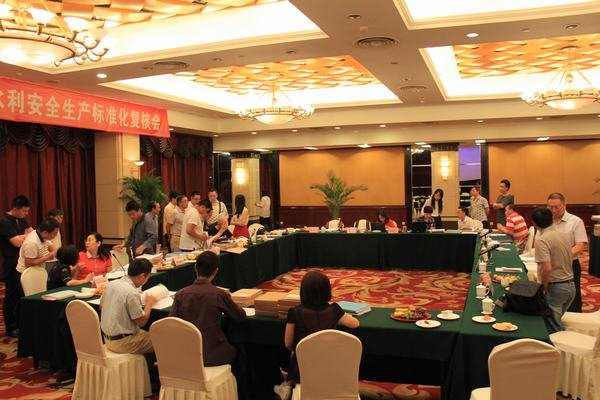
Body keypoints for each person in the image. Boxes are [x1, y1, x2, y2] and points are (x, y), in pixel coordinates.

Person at [170, 251, 247, 397]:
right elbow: (240, 317)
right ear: (216, 271)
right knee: (241, 351)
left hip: (187, 355)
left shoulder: (180, 294)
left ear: (195, 268)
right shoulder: (219, 294)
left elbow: (172, 324)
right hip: (213, 354)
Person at [274, 271, 360, 400]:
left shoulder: (294, 312)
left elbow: (288, 344)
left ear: (303, 292)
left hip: (303, 370)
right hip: (332, 367)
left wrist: (303, 349)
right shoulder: (334, 309)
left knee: (295, 356)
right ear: (327, 291)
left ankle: (288, 385)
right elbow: (355, 324)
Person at [531, 207, 575, 333]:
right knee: (555, 324)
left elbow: (546, 268)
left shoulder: (542, 240)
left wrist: (543, 288)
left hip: (556, 288)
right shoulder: (564, 235)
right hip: (570, 286)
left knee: (552, 329)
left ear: (534, 223)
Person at [100, 258, 156, 354]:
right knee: (163, 340)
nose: (147, 280)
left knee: (148, 334)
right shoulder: (131, 293)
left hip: (106, 339)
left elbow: (101, 306)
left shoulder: (111, 284)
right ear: (142, 276)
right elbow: (141, 322)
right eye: (148, 278)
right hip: (122, 342)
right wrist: (149, 303)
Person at [546, 192, 588, 313]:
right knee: (550, 296)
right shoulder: (546, 221)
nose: (553, 210)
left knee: (572, 297)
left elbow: (580, 245)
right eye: (550, 207)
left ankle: (573, 318)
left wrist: (561, 257)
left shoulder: (575, 221)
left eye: (556, 207)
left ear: (564, 205)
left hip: (570, 265)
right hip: (549, 264)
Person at [0, 195, 33, 337]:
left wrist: (23, 236)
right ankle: (10, 327)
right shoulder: (4, 222)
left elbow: (33, 234)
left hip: (23, 263)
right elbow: (16, 243)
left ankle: (20, 324)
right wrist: (24, 237)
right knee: (12, 295)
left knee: (22, 294)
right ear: (16, 208)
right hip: (11, 263)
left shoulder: (22, 219)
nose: (26, 214)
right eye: (24, 211)